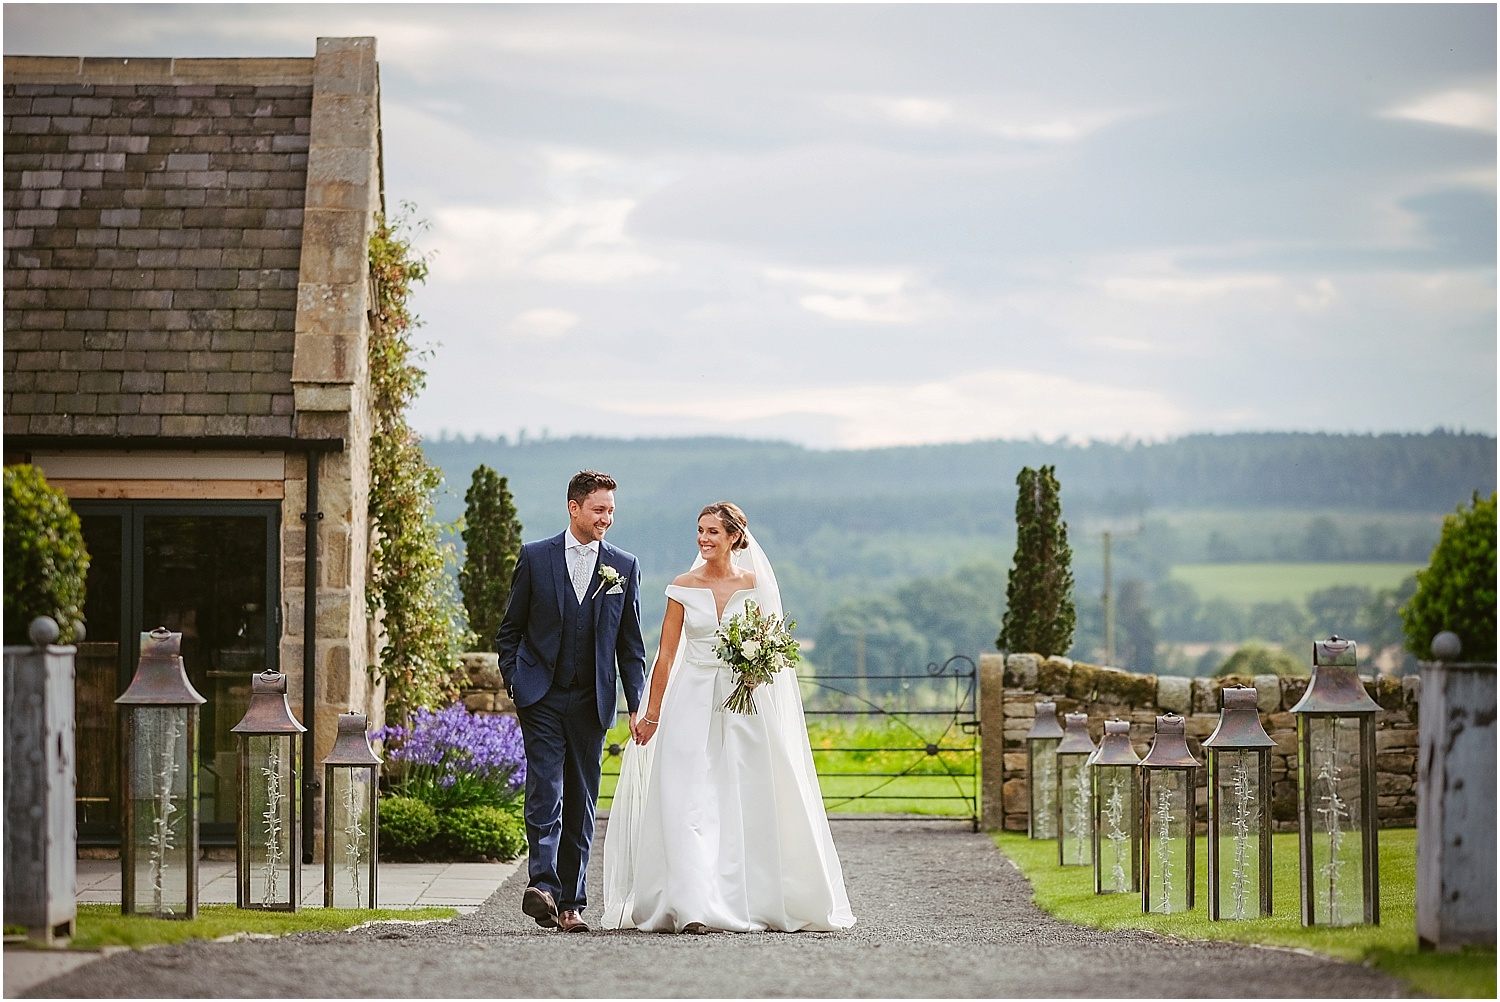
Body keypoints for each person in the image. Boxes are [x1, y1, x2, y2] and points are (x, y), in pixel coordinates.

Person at [602, 502, 856, 933]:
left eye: (712, 532)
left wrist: (756, 672)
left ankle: (749, 898)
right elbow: (665, 656)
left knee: (743, 799)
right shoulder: (681, 587)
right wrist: (651, 714)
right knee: (687, 800)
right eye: (700, 531)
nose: (703, 539)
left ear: (735, 537)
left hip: (743, 706)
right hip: (691, 699)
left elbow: (772, 647)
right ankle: (690, 904)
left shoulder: (756, 586)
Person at [496, 470, 647, 934]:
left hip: (592, 700)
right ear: (574, 507)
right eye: (599, 509)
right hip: (540, 697)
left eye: (612, 511)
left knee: (581, 799)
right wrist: (516, 684)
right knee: (546, 789)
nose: (607, 519)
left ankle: (571, 904)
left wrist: (636, 703)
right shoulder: (536, 558)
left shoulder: (623, 566)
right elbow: (510, 631)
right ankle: (542, 885)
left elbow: (631, 644)